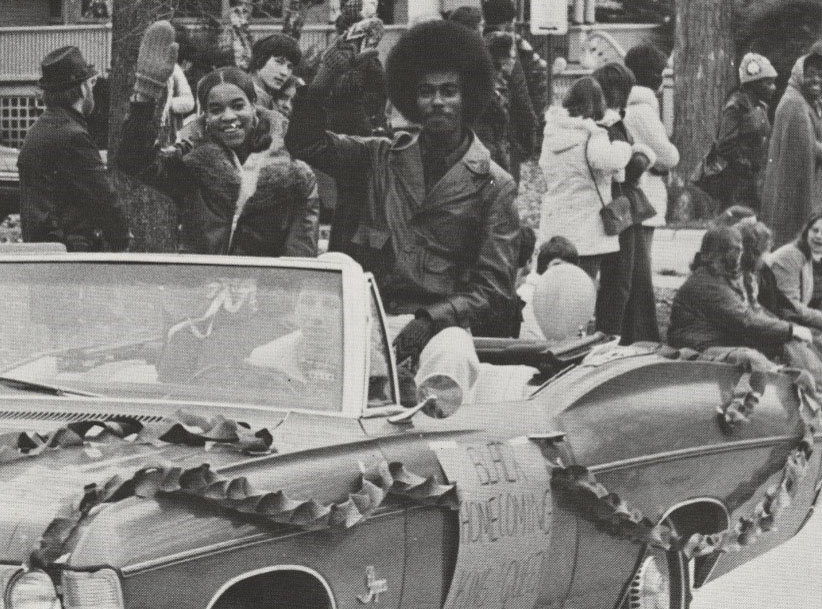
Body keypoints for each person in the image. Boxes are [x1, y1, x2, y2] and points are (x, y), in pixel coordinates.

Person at [286, 19, 521, 405]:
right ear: (412, 98)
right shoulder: (380, 156)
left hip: (440, 331)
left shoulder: (495, 185)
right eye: (426, 92)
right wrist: (327, 74)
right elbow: (305, 142)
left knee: (452, 361)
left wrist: (430, 320)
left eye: (450, 91)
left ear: (469, 95)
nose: (438, 102)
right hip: (368, 321)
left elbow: (493, 290)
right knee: (276, 359)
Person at [117, 22, 319, 258]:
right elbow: (133, 162)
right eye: (216, 109)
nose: (228, 116)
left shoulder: (296, 174)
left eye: (237, 105)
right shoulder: (194, 168)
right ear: (206, 118)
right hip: (202, 287)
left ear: (254, 106)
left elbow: (300, 253)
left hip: (264, 290)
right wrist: (144, 96)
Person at [18, 46, 130, 252]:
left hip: (41, 252)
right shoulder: (74, 136)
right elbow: (105, 197)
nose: (93, 90)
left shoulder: (37, 130)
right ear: (81, 88)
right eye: (91, 83)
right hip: (73, 253)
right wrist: (122, 238)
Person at [668, 225, 814, 360]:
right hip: (698, 348)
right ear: (724, 254)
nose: (741, 256)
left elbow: (749, 315)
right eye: (737, 251)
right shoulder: (708, 283)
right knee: (751, 358)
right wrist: (790, 330)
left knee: (785, 344)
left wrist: (789, 330)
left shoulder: (720, 277)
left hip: (718, 341)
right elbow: (745, 320)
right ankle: (786, 381)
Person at [593, 62, 660, 345]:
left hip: (624, 206)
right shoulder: (607, 123)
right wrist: (640, 158)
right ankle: (619, 339)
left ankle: (633, 338)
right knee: (623, 280)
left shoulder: (610, 120)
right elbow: (620, 167)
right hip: (621, 205)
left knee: (633, 278)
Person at [539, 76, 631, 279]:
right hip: (586, 230)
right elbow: (611, 163)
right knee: (581, 289)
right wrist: (623, 145)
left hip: (555, 225)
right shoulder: (592, 135)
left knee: (556, 288)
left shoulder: (552, 133)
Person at [693, 52, 777, 214]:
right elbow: (724, 143)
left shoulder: (759, 106)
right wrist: (744, 162)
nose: (773, 88)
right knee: (734, 223)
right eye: (768, 83)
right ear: (754, 84)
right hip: (734, 180)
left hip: (750, 178)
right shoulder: (736, 106)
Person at [761, 42, 822, 247]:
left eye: (821, 74)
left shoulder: (803, 101)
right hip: (796, 193)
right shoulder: (795, 105)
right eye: (811, 73)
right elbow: (807, 151)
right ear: (799, 74)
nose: (817, 79)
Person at [481, 0, 541, 182]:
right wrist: (530, 139)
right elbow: (522, 94)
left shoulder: (473, 45)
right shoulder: (511, 47)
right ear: (509, 21)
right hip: (508, 134)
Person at [624, 44, 678, 236]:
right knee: (641, 261)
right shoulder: (643, 111)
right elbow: (669, 157)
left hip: (628, 195)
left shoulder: (626, 105)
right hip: (643, 196)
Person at [519, 236, 595, 341]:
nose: (564, 272)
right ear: (543, 266)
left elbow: (578, 337)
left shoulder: (574, 298)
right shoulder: (525, 295)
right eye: (557, 265)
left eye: (570, 268)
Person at [768, 211, 822, 330]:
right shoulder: (791, 256)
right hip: (781, 322)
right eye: (815, 230)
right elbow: (791, 306)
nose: (819, 236)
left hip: (804, 321)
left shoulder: (817, 256)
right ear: (807, 231)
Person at [474, 31, 515, 172]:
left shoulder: (496, 83)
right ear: (502, 60)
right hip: (489, 156)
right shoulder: (489, 88)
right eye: (511, 56)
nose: (513, 60)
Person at [249, 33, 303, 114]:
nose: (284, 72)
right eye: (279, 62)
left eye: (290, 67)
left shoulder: (264, 95)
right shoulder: (254, 96)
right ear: (260, 58)